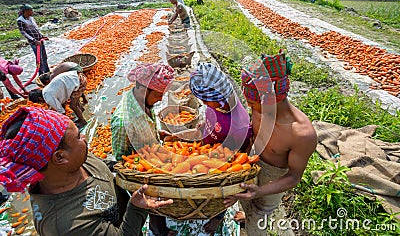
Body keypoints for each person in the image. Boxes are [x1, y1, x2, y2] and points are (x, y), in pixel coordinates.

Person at [0, 106, 173, 236]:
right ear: (60, 157)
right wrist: (136, 208)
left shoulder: (75, 163)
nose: (84, 137)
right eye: (77, 136)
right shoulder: (66, 225)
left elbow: (102, 164)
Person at [224, 50, 317, 235]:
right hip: (252, 162)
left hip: (274, 178)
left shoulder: (302, 134)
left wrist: (259, 191)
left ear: (270, 100)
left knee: (260, 215)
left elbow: (293, 177)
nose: (250, 107)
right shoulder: (260, 109)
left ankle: (254, 220)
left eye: (253, 103)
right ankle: (246, 214)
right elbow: (252, 135)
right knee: (245, 199)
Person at [185, 62, 253, 235]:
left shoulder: (236, 125)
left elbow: (226, 161)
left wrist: (202, 160)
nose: (202, 103)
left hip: (221, 161)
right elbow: (210, 116)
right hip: (209, 146)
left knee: (220, 191)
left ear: (213, 98)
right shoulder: (219, 102)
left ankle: (218, 217)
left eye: (203, 100)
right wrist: (203, 127)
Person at [111, 63, 177, 236]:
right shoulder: (123, 121)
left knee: (160, 199)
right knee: (152, 201)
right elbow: (121, 159)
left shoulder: (144, 102)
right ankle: (157, 230)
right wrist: (149, 162)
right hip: (142, 172)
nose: (161, 99)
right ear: (145, 88)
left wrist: (157, 134)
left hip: (154, 160)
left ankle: (159, 225)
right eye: (159, 94)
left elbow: (147, 127)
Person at [17, 4, 50, 75]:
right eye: (31, 10)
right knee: (39, 58)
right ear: (26, 11)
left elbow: (36, 29)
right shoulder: (20, 20)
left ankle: (47, 71)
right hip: (34, 42)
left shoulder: (31, 18)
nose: (32, 12)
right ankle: (41, 74)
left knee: (44, 56)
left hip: (39, 40)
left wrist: (42, 36)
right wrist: (34, 41)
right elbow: (24, 33)